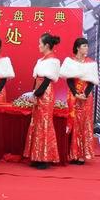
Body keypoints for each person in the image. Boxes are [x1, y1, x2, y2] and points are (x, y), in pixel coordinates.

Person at [23, 33, 62, 169]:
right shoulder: (41, 60)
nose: (38, 46)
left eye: (40, 43)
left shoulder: (53, 61)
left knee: (44, 123)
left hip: (45, 94)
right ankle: (36, 156)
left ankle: (44, 158)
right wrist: (33, 93)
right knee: (36, 123)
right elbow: (37, 79)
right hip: (38, 92)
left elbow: (46, 81)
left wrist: (36, 93)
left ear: (46, 45)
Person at [60, 37, 98, 165]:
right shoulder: (70, 62)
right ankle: (71, 154)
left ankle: (81, 155)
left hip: (86, 97)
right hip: (73, 96)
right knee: (73, 122)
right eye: (84, 46)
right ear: (77, 48)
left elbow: (92, 81)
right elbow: (69, 80)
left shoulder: (91, 63)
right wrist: (76, 94)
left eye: (87, 46)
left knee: (84, 124)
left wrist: (84, 94)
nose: (86, 48)